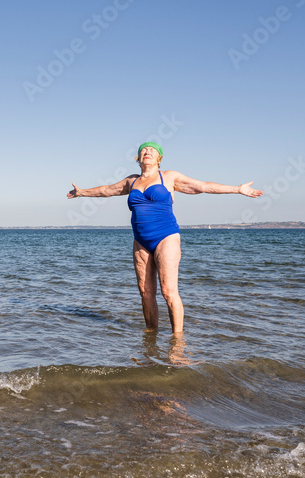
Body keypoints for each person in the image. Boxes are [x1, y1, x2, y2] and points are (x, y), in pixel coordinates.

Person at [67, 141, 262, 335]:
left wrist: (237, 189)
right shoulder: (131, 181)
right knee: (145, 292)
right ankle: (151, 337)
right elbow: (106, 190)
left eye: (152, 150)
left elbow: (202, 186)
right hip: (140, 241)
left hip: (166, 237)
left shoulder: (168, 177)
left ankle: (177, 340)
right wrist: (81, 192)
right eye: (144, 150)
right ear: (138, 158)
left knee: (168, 291)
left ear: (159, 158)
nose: (148, 151)